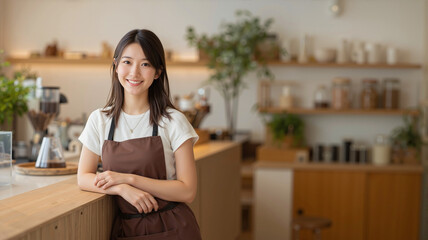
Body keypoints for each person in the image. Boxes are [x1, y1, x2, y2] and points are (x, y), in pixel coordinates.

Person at [77, 29, 202, 240]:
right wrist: (122, 188)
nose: (134, 73)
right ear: (116, 66)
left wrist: (129, 179)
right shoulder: (99, 120)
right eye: (127, 62)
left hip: (173, 228)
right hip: (127, 228)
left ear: (158, 72)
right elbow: (83, 177)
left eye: (145, 64)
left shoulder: (173, 121)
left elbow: (187, 190)